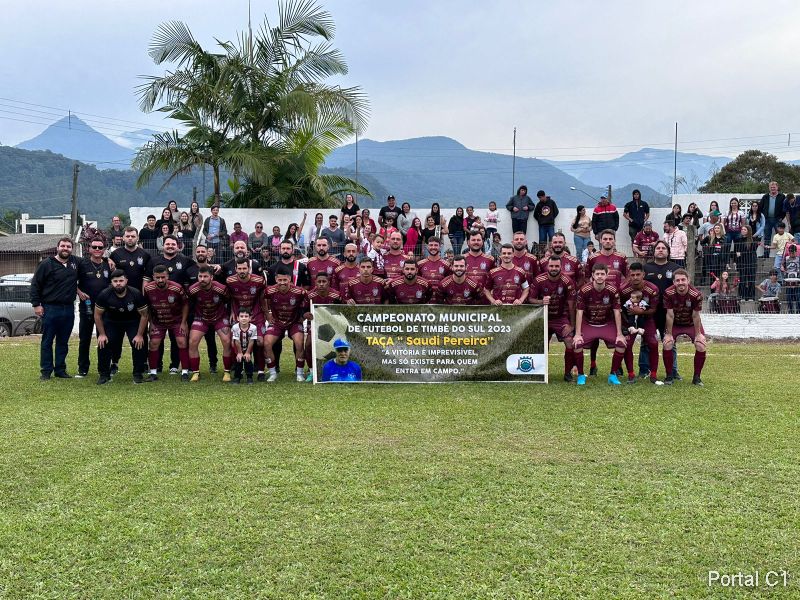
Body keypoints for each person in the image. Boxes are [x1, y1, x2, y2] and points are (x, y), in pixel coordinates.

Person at [30, 236, 79, 380]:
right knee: (47, 341)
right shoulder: (46, 264)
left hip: (68, 309)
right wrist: (36, 305)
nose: (65, 248)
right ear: (57, 247)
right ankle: (46, 371)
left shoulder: (75, 262)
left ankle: (60, 369)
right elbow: (35, 285)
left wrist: (109, 260)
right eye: (63, 246)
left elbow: (93, 262)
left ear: (72, 249)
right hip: (50, 308)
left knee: (63, 341)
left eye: (68, 246)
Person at [573, 263, 627, 386]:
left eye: (602, 274)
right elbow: (579, 312)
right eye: (597, 274)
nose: (600, 276)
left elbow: (617, 312)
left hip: (606, 324)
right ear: (592, 275)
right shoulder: (584, 290)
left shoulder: (613, 290)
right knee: (577, 344)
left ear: (607, 275)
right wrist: (577, 334)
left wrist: (619, 334)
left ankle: (613, 375)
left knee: (621, 343)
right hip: (589, 324)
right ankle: (581, 375)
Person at [94, 270, 149, 385]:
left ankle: (138, 374)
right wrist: (102, 334)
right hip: (111, 322)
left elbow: (144, 315)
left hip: (132, 321)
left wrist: (139, 335)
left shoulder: (135, 293)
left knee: (138, 343)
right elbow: (97, 315)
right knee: (103, 343)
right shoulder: (104, 294)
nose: (118, 283)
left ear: (126, 281)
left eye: (121, 281)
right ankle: (104, 374)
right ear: (111, 282)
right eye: (115, 281)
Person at [529, 256, 576, 381]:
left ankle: (567, 373)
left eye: (556, 266)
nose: (554, 268)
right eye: (551, 266)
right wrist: (541, 301)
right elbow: (530, 299)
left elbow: (572, 305)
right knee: (542, 345)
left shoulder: (567, 281)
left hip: (560, 318)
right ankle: (540, 372)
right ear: (547, 267)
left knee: (570, 343)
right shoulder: (539, 280)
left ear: (561, 267)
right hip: (543, 317)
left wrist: (572, 325)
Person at [641, 241, 681, 380]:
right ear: (654, 251)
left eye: (663, 248)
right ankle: (644, 370)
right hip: (649, 311)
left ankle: (673, 371)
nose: (660, 250)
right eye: (658, 248)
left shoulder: (675, 268)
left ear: (668, 252)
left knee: (670, 341)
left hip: (668, 312)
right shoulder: (646, 268)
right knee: (646, 342)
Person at [143, 265, 190, 382]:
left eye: (163, 277)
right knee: (153, 343)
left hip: (177, 321)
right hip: (158, 321)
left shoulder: (177, 288)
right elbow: (147, 307)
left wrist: (184, 323)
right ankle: (153, 372)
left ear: (167, 276)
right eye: (157, 277)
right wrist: (151, 322)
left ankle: (185, 371)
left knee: (181, 341)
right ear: (153, 277)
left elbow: (185, 304)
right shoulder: (148, 288)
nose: (160, 280)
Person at [264, 265, 309, 382]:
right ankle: (273, 373)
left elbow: (309, 300)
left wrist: (303, 316)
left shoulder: (299, 291)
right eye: (280, 280)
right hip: (277, 322)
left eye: (285, 280)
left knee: (299, 343)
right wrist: (268, 315)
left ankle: (299, 373)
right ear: (276, 279)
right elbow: (262, 299)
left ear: (290, 279)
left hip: (294, 322)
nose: (282, 283)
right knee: (267, 343)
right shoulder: (269, 290)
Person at [662, 269, 707, 386]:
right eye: (677, 280)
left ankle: (697, 378)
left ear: (688, 280)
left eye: (683, 280)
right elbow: (670, 315)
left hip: (691, 324)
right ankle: (669, 376)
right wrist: (668, 333)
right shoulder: (668, 293)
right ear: (674, 282)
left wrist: (698, 334)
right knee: (667, 343)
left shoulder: (696, 295)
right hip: (675, 323)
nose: (680, 282)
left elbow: (696, 316)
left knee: (700, 345)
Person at [187, 266, 232, 382]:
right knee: (192, 341)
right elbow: (189, 304)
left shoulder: (221, 289)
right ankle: (195, 372)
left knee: (227, 340)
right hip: (201, 318)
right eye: (200, 276)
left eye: (205, 276)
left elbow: (229, 300)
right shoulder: (192, 290)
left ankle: (227, 371)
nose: (202, 279)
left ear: (211, 277)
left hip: (220, 317)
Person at [76, 238, 112, 378]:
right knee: (84, 339)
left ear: (104, 250)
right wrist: (79, 292)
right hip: (87, 307)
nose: (97, 250)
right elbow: (72, 281)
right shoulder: (82, 264)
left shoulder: (108, 264)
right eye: (95, 247)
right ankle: (83, 368)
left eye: (100, 247)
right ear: (89, 249)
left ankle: (103, 368)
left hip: (104, 309)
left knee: (103, 338)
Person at [619, 263, 660, 383]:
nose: (635, 277)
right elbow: (620, 308)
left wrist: (640, 311)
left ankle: (653, 375)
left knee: (653, 343)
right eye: (632, 275)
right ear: (629, 275)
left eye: (638, 274)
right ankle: (631, 375)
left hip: (647, 320)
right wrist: (626, 322)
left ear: (643, 274)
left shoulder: (653, 289)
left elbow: (653, 309)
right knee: (627, 345)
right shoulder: (623, 289)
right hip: (629, 321)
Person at [417, 237, 451, 302]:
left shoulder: (447, 265)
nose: (433, 247)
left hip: (441, 302)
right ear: (427, 247)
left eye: (436, 245)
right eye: (431, 245)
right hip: (424, 302)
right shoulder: (420, 264)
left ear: (440, 247)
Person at [463, 230, 494, 300]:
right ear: (468, 242)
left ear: (482, 242)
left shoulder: (490, 259)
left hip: (485, 301)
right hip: (465, 300)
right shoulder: (462, 259)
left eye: (478, 240)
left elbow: (494, 281)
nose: (476, 242)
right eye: (473, 240)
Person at [230, 308, 258, 384]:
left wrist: (248, 352)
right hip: (238, 347)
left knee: (248, 360)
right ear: (237, 318)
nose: (244, 318)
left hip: (248, 347)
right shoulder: (235, 327)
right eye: (241, 316)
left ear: (250, 318)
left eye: (246, 316)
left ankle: (249, 377)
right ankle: (237, 377)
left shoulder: (253, 328)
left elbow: (252, 340)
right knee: (238, 361)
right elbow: (236, 341)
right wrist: (239, 352)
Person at [759, 181, 786, 257]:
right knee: (767, 237)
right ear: (769, 188)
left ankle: (782, 254)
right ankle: (766, 254)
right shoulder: (765, 197)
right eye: (771, 187)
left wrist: (781, 217)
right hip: (767, 220)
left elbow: (784, 208)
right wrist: (763, 218)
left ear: (777, 188)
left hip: (777, 219)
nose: (773, 188)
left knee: (780, 237)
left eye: (774, 187)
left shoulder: (782, 196)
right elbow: (760, 207)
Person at [733, 225, 757, 301]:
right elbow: (736, 252)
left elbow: (752, 251)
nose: (742, 230)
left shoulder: (753, 240)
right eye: (742, 229)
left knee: (751, 280)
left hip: (751, 263)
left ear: (748, 231)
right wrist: (735, 261)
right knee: (742, 280)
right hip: (741, 263)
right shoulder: (738, 239)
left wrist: (741, 253)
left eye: (745, 229)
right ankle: (742, 296)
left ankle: (751, 297)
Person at [780, 244, 800, 313]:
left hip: (797, 280)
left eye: (793, 252)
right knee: (789, 297)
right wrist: (782, 268)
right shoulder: (786, 258)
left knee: (798, 297)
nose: (792, 254)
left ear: (796, 252)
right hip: (788, 280)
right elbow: (783, 267)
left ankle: (798, 311)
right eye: (790, 252)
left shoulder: (798, 259)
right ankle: (790, 311)